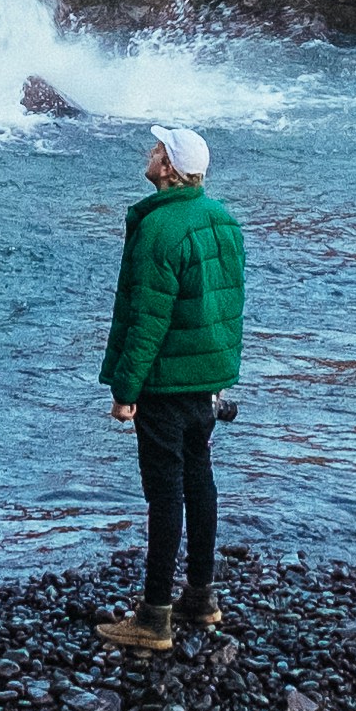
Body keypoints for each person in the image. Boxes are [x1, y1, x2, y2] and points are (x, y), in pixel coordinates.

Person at [94, 122, 246, 652]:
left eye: (159, 149)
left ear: (171, 170)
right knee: (200, 481)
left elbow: (148, 320)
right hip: (206, 381)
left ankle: (154, 616)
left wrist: (125, 389)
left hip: (164, 384)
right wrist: (222, 373)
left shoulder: (159, 231)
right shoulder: (224, 221)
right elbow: (229, 306)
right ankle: (201, 600)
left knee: (164, 494)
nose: (151, 152)